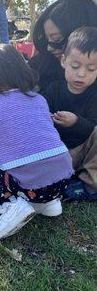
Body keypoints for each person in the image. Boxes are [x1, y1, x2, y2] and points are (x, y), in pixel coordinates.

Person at [0, 45, 73, 240]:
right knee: (34, 164)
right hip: (62, 179)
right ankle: (49, 204)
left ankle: (11, 207)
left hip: (31, 185)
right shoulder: (38, 99)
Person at [0, 0, 97, 132]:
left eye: (57, 40)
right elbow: (12, 84)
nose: (49, 47)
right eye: (47, 39)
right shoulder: (46, 60)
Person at [43, 27, 97, 201]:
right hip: (57, 153)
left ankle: (88, 184)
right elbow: (38, 114)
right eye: (75, 66)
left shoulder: (94, 94)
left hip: (85, 152)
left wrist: (75, 121)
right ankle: (62, 178)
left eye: (91, 69)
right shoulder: (53, 89)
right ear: (64, 61)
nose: (81, 74)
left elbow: (92, 128)